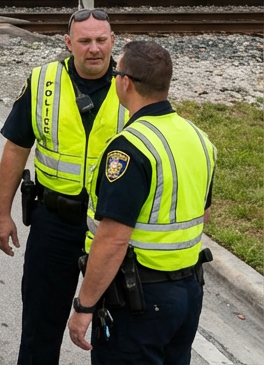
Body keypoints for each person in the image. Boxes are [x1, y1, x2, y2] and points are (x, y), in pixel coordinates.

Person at [68, 41, 216, 362]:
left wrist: (84, 306)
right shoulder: (198, 138)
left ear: (126, 82)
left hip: (140, 300)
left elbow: (113, 239)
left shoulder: (130, 148)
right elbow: (202, 214)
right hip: (188, 292)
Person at [0, 8, 128, 364]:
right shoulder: (43, 81)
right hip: (54, 222)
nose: (94, 48)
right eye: (84, 41)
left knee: (118, 333)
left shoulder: (132, 84)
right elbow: (16, 148)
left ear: (113, 41)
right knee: (40, 329)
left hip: (110, 227)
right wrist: (2, 214)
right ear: (68, 43)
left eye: (101, 40)